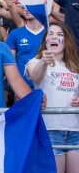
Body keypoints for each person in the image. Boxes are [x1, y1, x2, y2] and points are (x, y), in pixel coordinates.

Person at [26, 21, 79, 173]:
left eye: (60, 35)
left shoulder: (75, 66)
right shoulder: (35, 61)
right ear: (46, 40)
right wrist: (44, 61)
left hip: (75, 129)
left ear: (66, 40)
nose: (54, 37)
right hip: (50, 128)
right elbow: (36, 77)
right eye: (51, 34)